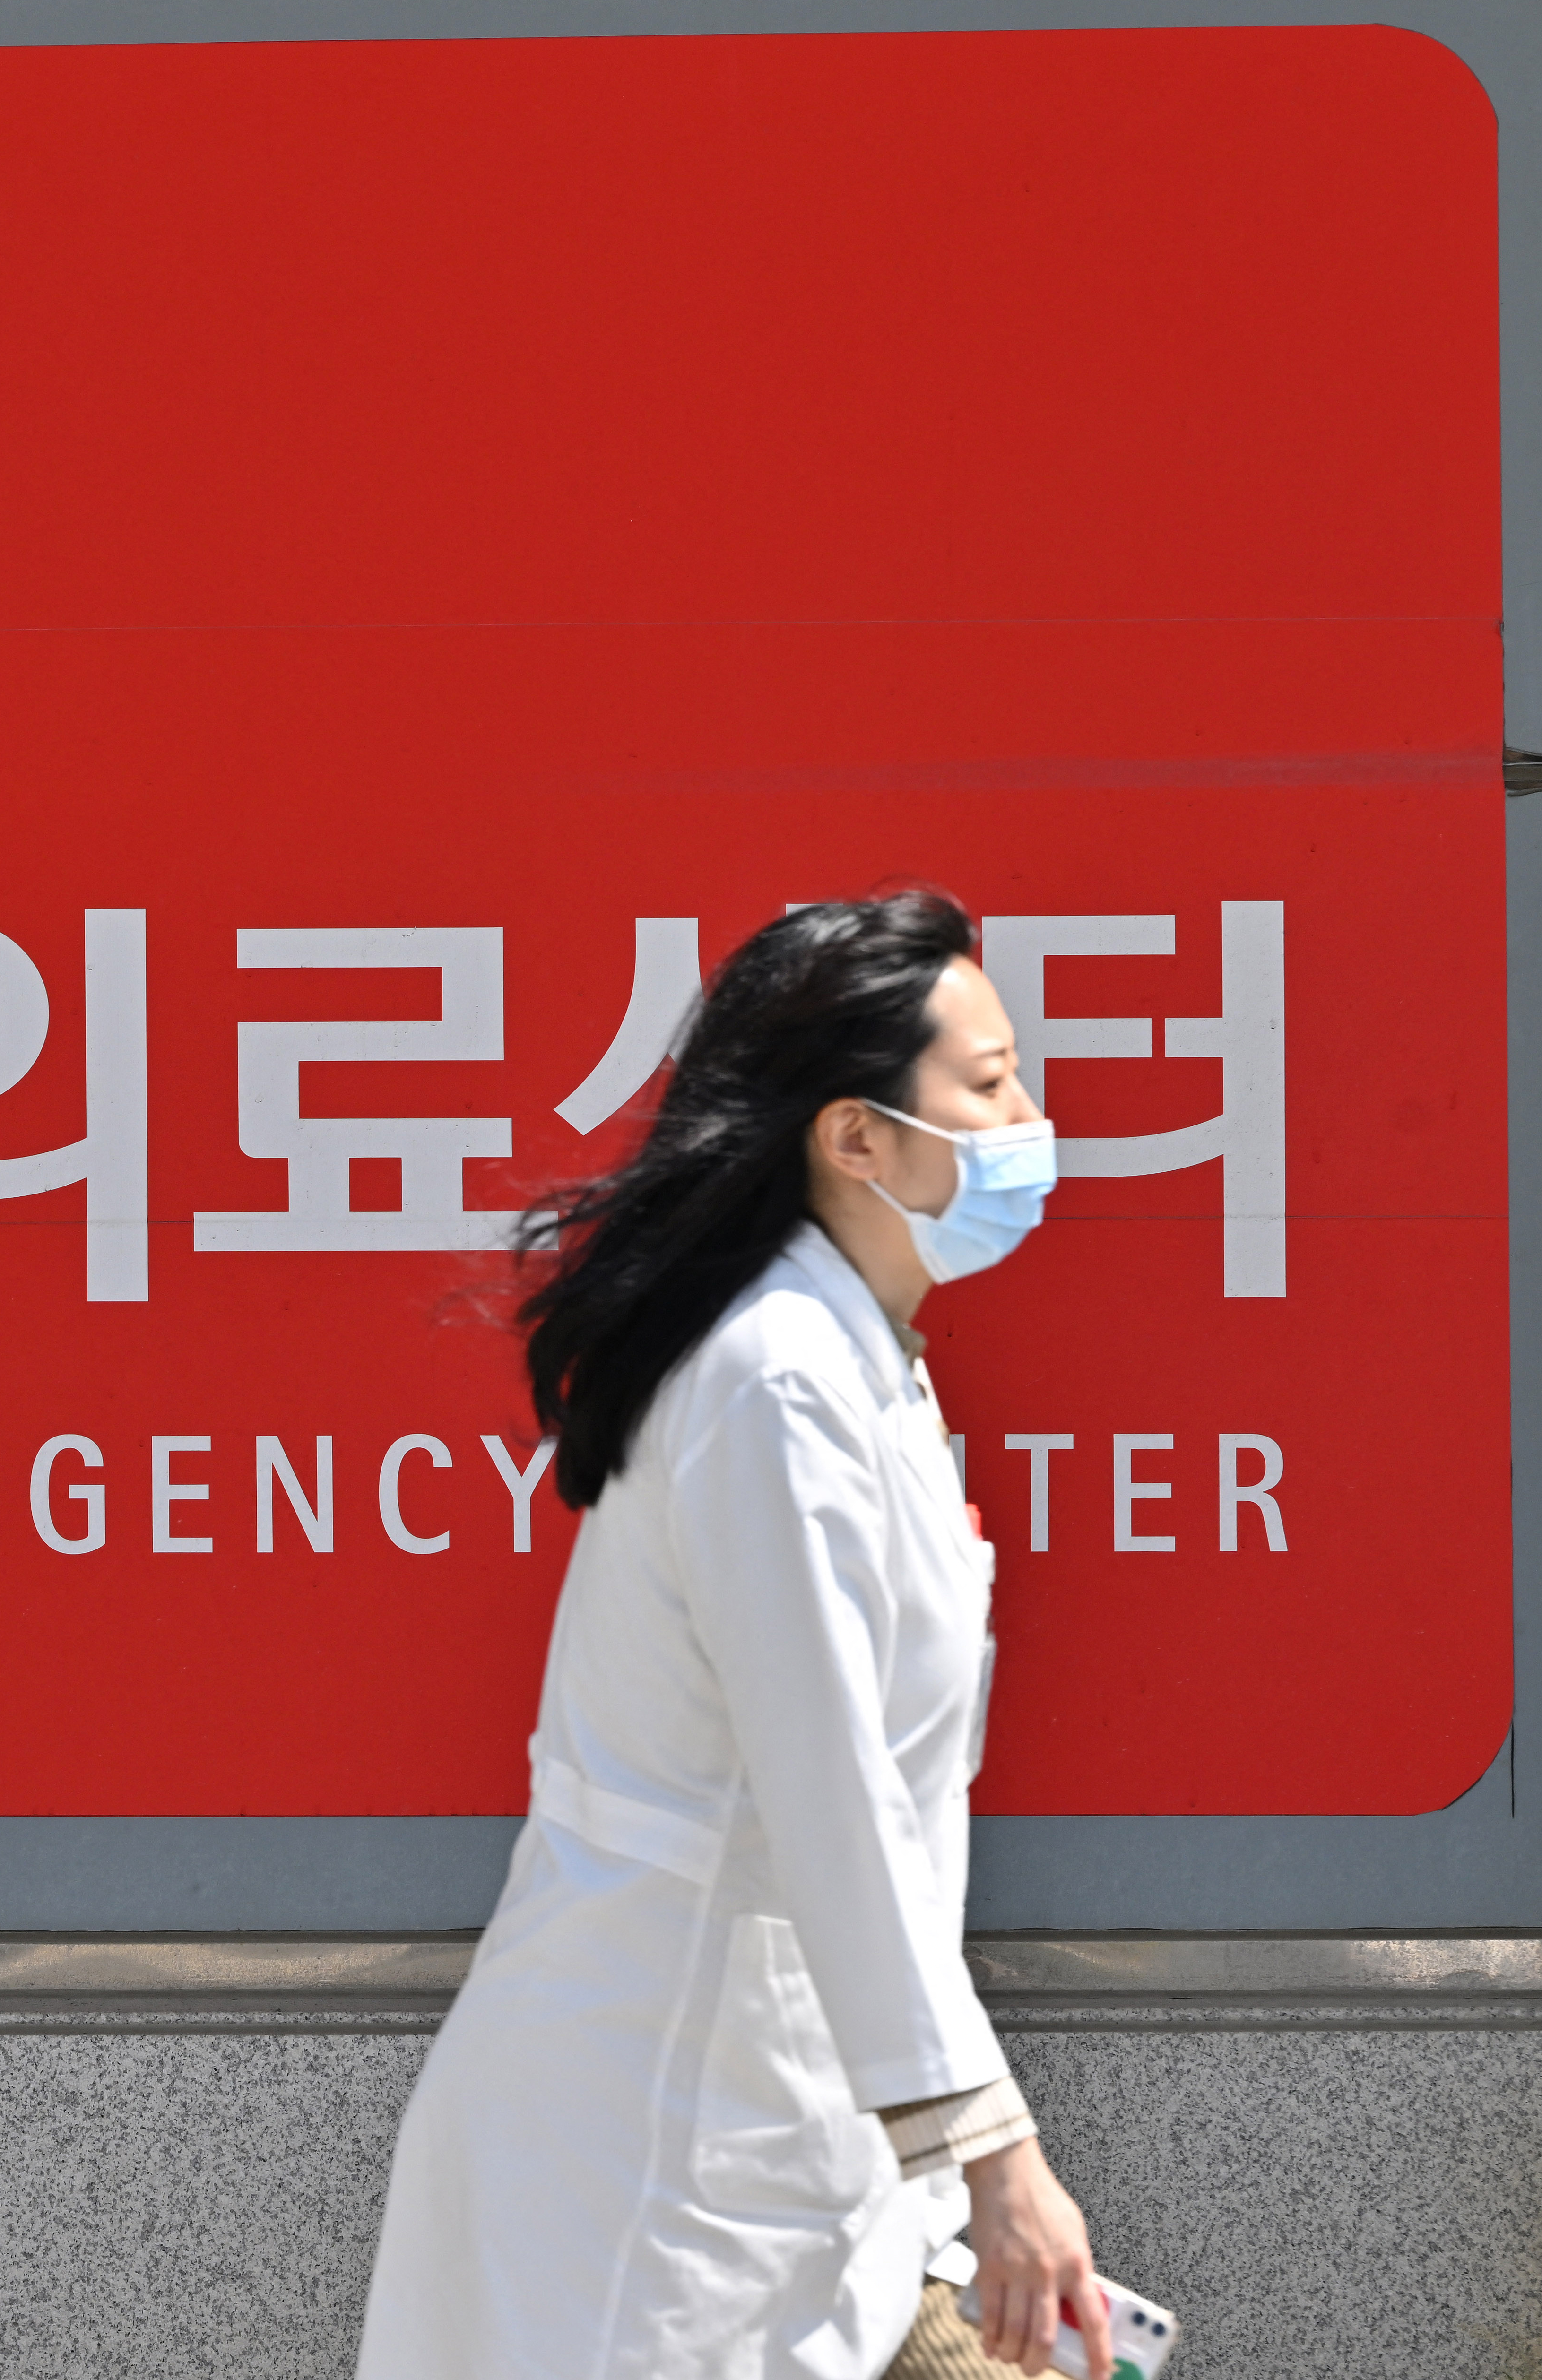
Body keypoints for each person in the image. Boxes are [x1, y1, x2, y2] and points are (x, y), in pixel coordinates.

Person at [355, 892, 1110, 2380]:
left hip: (783, 2140)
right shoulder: (775, 1383)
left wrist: (945, 2176)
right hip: (657, 2153)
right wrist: (994, 2157)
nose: (1029, 1117)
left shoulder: (857, 1362)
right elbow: (831, 1800)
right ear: (857, 1137)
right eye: (989, 1082)